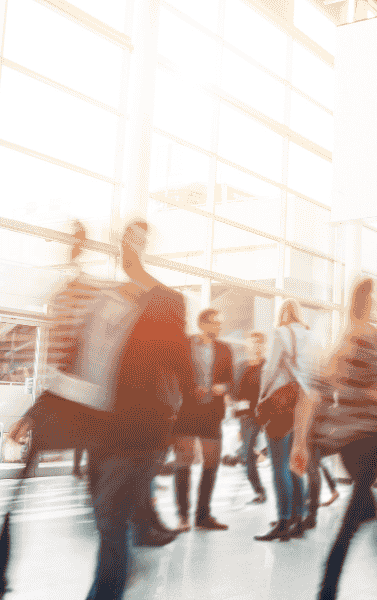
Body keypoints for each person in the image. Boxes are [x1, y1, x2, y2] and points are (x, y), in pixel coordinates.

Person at [290, 277, 377, 600]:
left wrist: (300, 442)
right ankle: (326, 591)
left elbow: (314, 393)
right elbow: (372, 383)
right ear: (367, 302)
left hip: (350, 446)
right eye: (376, 300)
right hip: (366, 442)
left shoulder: (341, 341)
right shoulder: (366, 335)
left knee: (370, 515)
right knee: (353, 521)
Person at [88, 221, 198, 598]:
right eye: (124, 239)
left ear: (147, 248)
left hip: (142, 428)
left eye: (137, 241)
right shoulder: (107, 299)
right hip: (102, 428)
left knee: (112, 518)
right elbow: (87, 363)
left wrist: (184, 430)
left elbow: (183, 364)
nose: (128, 247)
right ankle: (119, 576)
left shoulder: (167, 300)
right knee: (106, 519)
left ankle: (109, 588)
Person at [255, 299, 316, 542]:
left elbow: (271, 369)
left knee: (279, 465)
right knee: (295, 462)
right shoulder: (310, 336)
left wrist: (261, 396)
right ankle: (298, 519)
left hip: (281, 403)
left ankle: (283, 520)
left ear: (282, 313)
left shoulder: (281, 333)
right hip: (303, 404)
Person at [172, 309, 233, 532]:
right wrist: (190, 389)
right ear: (202, 323)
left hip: (212, 413)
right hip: (186, 412)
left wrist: (223, 387)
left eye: (220, 323)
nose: (219, 327)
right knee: (183, 464)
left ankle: (203, 515)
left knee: (211, 465)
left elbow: (230, 380)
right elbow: (174, 375)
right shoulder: (184, 345)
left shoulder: (225, 349)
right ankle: (183, 517)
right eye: (215, 323)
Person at [235, 331, 269, 505]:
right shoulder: (241, 366)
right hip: (247, 418)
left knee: (277, 457)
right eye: (252, 342)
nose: (255, 346)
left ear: (263, 346)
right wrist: (239, 422)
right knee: (246, 456)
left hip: (267, 417)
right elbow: (236, 396)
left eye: (258, 343)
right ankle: (259, 491)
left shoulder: (267, 366)